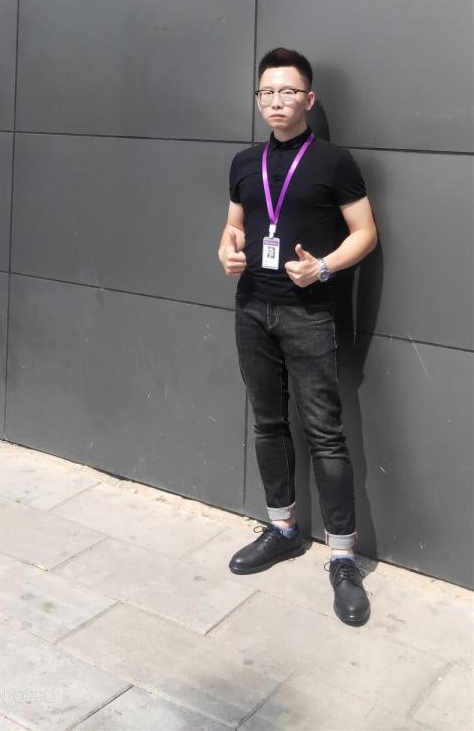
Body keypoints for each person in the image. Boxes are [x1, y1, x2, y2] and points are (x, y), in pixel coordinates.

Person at [218, 47, 377, 626]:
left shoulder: (335, 162)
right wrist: (226, 248)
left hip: (309, 315)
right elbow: (234, 224)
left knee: (324, 434)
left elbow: (365, 233)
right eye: (267, 92)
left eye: (288, 91)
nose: (276, 101)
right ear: (257, 99)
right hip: (252, 310)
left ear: (309, 99)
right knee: (267, 422)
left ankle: (343, 558)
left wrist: (324, 268)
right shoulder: (244, 162)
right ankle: (282, 529)